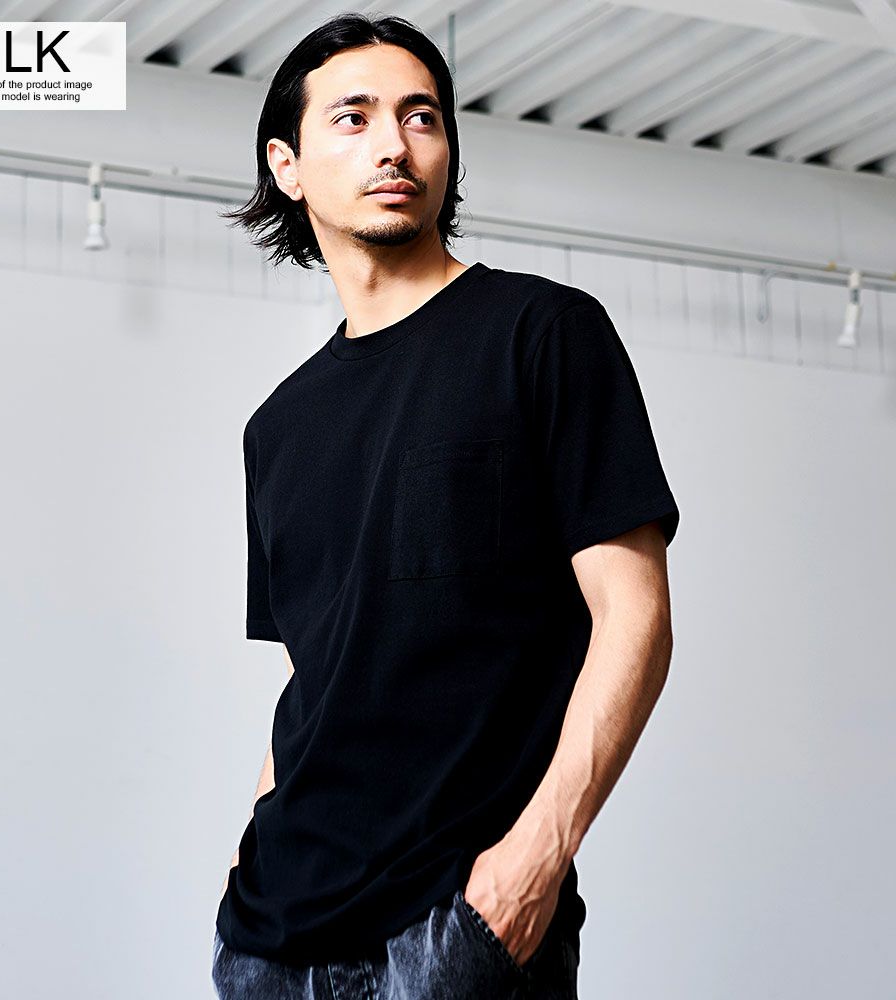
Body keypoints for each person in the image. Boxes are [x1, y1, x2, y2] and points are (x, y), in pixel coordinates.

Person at [211, 12, 680, 1000]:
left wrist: (533, 864)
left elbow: (634, 616)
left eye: (420, 116)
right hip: (270, 941)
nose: (394, 143)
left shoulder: (543, 334)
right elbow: (311, 677)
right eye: (353, 118)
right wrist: (243, 869)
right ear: (287, 165)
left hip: (456, 929)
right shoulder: (277, 428)